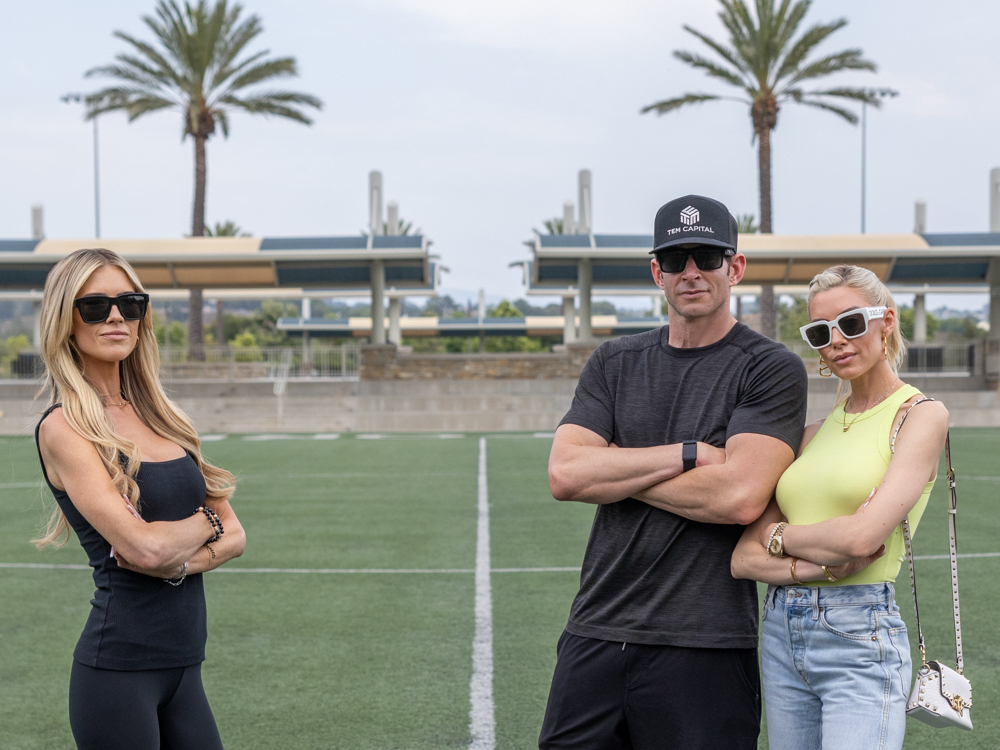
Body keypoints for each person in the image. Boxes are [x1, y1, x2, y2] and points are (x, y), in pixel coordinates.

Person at [539, 195, 809, 749]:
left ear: (733, 268)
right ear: (656, 271)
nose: (691, 272)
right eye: (676, 258)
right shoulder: (614, 362)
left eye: (707, 257)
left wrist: (616, 465)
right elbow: (566, 475)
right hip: (596, 627)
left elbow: (738, 497)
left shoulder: (768, 368)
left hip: (704, 643)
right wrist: (689, 453)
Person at [33, 248, 246, 749]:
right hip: (117, 672)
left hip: (185, 668)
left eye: (130, 304)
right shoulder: (65, 427)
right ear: (66, 319)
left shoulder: (165, 417)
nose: (115, 316)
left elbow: (236, 534)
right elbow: (144, 550)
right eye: (95, 306)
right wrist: (203, 527)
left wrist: (176, 560)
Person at [731, 264, 948, 750]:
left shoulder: (921, 415)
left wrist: (781, 538)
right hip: (782, 629)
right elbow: (743, 558)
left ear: (886, 321)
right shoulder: (810, 433)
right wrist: (818, 565)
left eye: (851, 323)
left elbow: (861, 540)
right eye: (820, 331)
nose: (836, 341)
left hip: (860, 634)